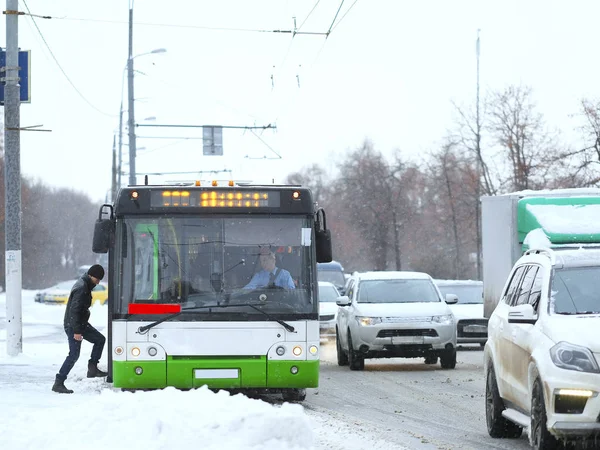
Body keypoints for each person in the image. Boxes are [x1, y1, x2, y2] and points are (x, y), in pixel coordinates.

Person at [52, 264, 108, 394]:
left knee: (100, 339)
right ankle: (59, 382)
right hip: (74, 325)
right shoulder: (82, 287)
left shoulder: (85, 285)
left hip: (80, 324)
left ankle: (92, 368)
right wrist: (76, 331)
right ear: (90, 275)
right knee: (74, 355)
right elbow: (74, 311)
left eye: (100, 280)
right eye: (97, 279)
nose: (98, 282)